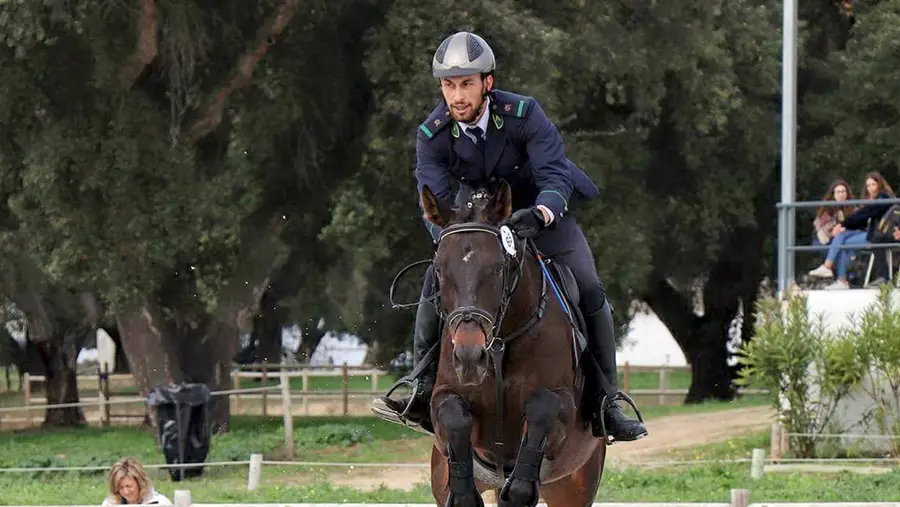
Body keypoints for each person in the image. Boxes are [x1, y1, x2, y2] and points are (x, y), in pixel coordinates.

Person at [373, 31, 648, 443]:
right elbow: (434, 202)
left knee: (589, 288)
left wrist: (539, 213)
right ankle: (420, 384)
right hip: (474, 221)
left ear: (488, 82)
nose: (457, 96)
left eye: (466, 83)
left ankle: (606, 400)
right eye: (449, 85)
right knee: (436, 281)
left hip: (537, 212)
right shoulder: (431, 134)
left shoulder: (523, 113)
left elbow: (554, 175)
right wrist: (452, 238)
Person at [809, 172, 895, 289]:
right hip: (870, 234)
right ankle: (838, 277)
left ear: (880, 184)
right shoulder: (873, 199)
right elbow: (862, 219)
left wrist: (843, 224)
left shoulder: (883, 198)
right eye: (868, 185)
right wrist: (845, 226)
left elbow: (864, 214)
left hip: (880, 235)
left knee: (841, 240)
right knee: (842, 241)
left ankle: (833, 272)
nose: (870, 188)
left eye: (873, 184)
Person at [101, 457, 171, 505]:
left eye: (129, 486)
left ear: (140, 483)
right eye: (120, 488)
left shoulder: (161, 503)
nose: (126, 492)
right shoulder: (109, 504)